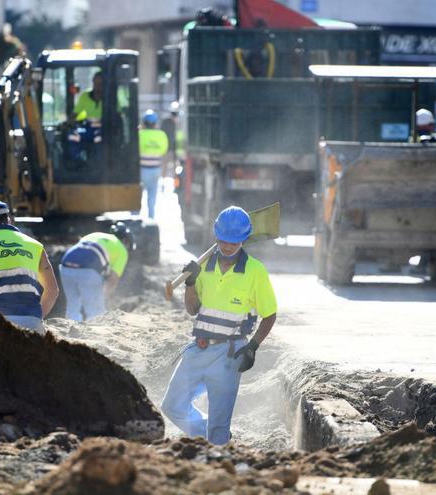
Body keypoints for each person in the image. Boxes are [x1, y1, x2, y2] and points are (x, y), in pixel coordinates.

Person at [160, 206, 277, 445]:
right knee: (172, 407)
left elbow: (270, 314)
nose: (228, 247)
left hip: (229, 354)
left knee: (220, 424)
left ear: (244, 239)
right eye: (224, 241)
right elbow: (193, 309)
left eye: (234, 242)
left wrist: (253, 346)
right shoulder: (203, 267)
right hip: (198, 348)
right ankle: (209, 435)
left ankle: (216, 452)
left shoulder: (255, 271)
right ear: (216, 236)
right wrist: (191, 283)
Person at [0, 198, 59, 332]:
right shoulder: (35, 246)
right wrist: (37, 316)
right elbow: (52, 290)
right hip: (33, 320)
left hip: (0, 323)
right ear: (8, 220)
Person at [59, 222, 133, 320]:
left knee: (72, 307)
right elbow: (113, 279)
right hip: (88, 269)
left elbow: (80, 252)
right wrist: (102, 297)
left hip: (66, 264)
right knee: (96, 313)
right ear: (125, 240)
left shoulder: (94, 234)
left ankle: (71, 331)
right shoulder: (122, 249)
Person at [139, 109, 169, 218]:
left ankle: (136, 215)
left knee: (138, 194)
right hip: (156, 170)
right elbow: (164, 153)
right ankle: (151, 217)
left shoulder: (140, 135)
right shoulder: (161, 135)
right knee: (152, 195)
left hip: (141, 170)